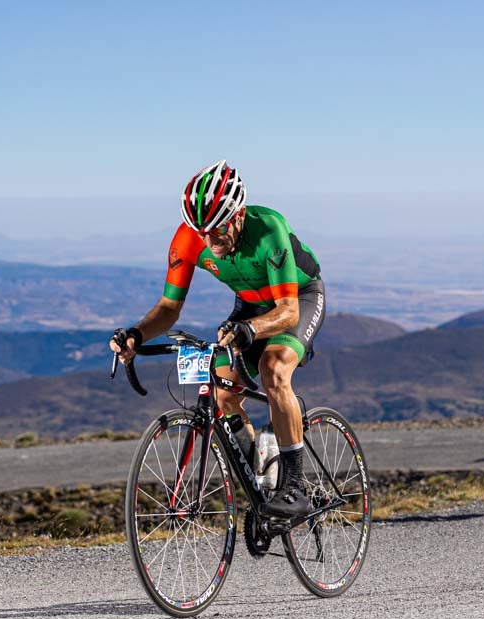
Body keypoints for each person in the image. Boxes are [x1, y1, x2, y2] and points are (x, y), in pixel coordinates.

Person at [110, 160, 326, 518]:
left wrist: (251, 330)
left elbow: (288, 312)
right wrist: (136, 334)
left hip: (299, 297)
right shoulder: (188, 239)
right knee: (224, 393)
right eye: (201, 231)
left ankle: (295, 486)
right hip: (251, 303)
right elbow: (168, 307)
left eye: (217, 229)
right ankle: (260, 477)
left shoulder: (269, 230)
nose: (209, 240)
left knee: (273, 370)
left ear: (238, 214)